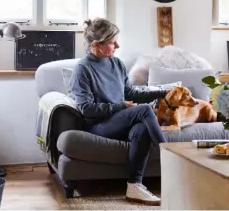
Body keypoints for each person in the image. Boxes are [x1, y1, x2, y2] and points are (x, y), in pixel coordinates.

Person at [71, 17, 169, 205]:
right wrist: (121, 106)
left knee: (141, 128)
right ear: (96, 45)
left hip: (119, 120)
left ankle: (134, 185)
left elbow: (131, 93)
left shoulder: (116, 64)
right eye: (112, 42)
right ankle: (173, 159)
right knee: (144, 111)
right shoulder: (83, 69)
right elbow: (86, 109)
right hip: (98, 125)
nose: (117, 45)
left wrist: (165, 92)